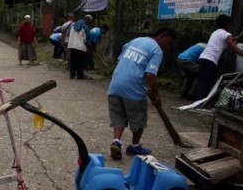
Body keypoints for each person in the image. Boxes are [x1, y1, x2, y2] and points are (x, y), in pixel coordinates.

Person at [107, 27, 177, 160]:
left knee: (119, 116)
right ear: (162, 35)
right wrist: (156, 95)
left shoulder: (136, 40)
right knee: (138, 119)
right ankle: (134, 146)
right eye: (169, 42)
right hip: (133, 88)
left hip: (115, 85)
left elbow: (120, 60)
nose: (168, 47)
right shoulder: (156, 50)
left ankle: (116, 141)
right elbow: (151, 75)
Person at [195, 14, 243, 100]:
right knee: (208, 82)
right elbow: (233, 47)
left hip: (203, 58)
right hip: (210, 60)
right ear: (227, 25)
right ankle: (202, 102)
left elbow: (226, 41)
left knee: (203, 81)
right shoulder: (227, 34)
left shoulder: (215, 32)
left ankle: (199, 101)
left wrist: (236, 38)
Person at [67, 14, 92, 79]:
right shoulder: (85, 27)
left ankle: (72, 75)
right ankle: (80, 75)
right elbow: (88, 38)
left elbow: (68, 34)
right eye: (90, 21)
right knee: (80, 62)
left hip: (72, 45)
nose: (90, 22)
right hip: (80, 47)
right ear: (87, 19)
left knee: (73, 61)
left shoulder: (73, 25)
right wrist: (88, 46)